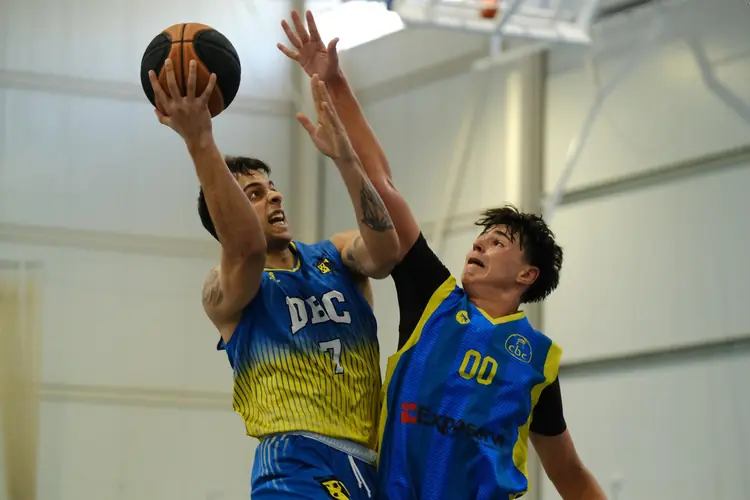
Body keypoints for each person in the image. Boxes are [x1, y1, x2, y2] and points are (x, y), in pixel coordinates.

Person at [278, 10, 607, 499]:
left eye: (498, 242)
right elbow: (383, 185)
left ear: (527, 274)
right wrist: (336, 83)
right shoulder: (433, 299)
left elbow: (570, 473)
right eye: (481, 237)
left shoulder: (538, 362)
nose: (479, 244)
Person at [148, 59, 399, 499]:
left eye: (271, 187)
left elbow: (386, 253)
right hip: (295, 460)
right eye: (255, 194)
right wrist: (200, 141)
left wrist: (345, 158)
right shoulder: (224, 291)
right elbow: (245, 248)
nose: (275, 196)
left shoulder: (336, 255)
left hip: (371, 464)